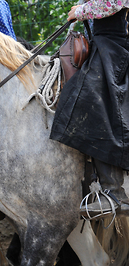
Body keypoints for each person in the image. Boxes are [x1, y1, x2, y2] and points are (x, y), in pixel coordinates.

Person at [50, 0, 129, 218]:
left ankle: (114, 193)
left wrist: (81, 11)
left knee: (94, 103)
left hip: (113, 46)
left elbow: (113, 2)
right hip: (101, 44)